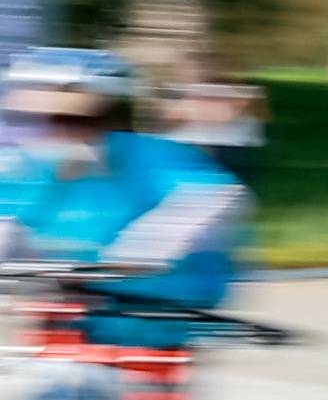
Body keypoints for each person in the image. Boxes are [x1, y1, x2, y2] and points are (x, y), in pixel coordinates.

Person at [0, 45, 249, 333]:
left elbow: (215, 198)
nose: (54, 131)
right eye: (34, 119)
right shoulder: (26, 167)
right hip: (67, 312)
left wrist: (143, 249)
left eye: (72, 118)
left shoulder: (152, 156)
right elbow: (7, 221)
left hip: (154, 310)